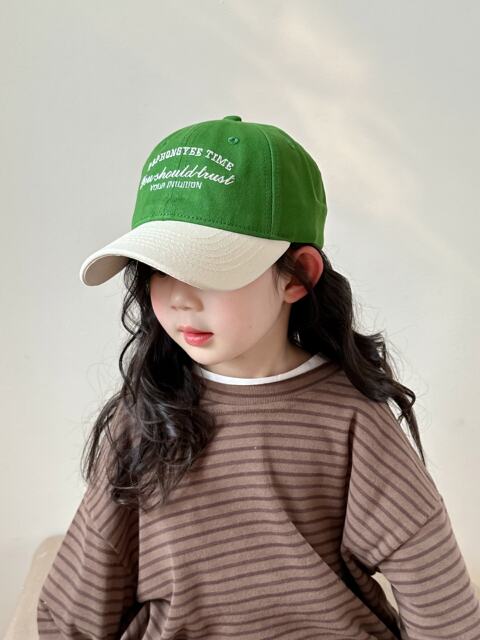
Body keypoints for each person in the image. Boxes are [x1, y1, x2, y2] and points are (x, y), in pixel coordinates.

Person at [37, 115, 480, 639]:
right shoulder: (144, 417)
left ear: (298, 276)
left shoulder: (352, 421)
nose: (179, 298)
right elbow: (78, 602)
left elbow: (439, 599)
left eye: (207, 270)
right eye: (158, 270)